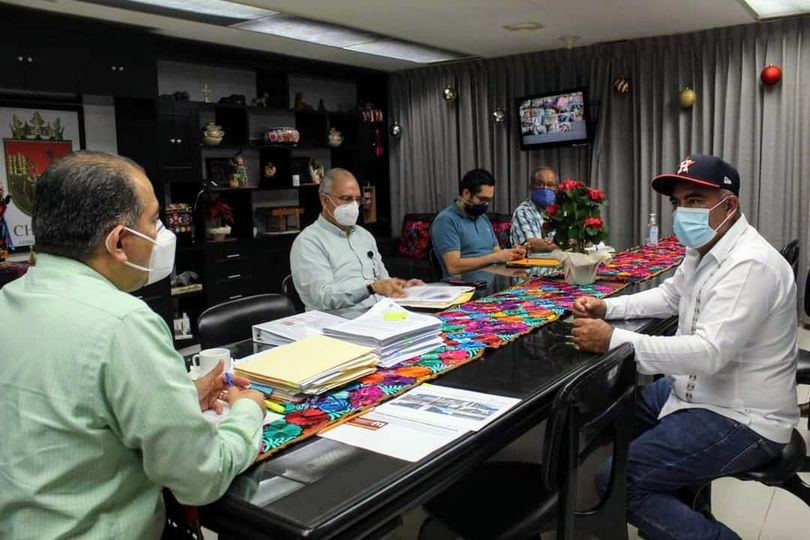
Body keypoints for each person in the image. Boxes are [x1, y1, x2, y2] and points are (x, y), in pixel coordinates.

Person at [0, 152, 267, 539]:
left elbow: (66, 415)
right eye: (154, 220)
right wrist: (247, 415)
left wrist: (179, 398)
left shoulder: (10, 298)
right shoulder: (123, 322)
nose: (162, 234)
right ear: (119, 241)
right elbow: (200, 477)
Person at [571, 154, 798, 540]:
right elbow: (670, 296)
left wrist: (613, 339)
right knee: (610, 413)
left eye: (695, 200)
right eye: (678, 203)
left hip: (741, 415)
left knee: (618, 482)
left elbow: (709, 353)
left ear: (729, 204)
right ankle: (666, 497)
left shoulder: (750, 264)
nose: (682, 212)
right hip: (693, 391)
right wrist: (608, 307)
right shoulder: (706, 248)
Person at [290, 168, 421, 319]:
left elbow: (384, 281)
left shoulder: (364, 236)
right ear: (325, 200)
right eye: (346, 199)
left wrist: (403, 288)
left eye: (357, 199)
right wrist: (370, 288)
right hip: (339, 325)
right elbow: (322, 296)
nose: (353, 205)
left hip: (382, 316)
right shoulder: (309, 242)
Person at [431, 168, 525, 277]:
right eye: (482, 199)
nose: (485, 204)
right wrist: (496, 257)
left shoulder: (482, 218)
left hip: (492, 281)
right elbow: (453, 267)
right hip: (463, 287)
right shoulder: (446, 220)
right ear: (466, 193)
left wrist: (512, 254)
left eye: (488, 201)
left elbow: (497, 252)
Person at [510, 165, 559, 252]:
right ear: (531, 187)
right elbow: (533, 245)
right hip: (532, 262)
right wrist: (567, 244)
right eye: (540, 184)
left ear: (556, 189)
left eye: (550, 185)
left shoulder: (560, 211)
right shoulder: (523, 211)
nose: (545, 188)